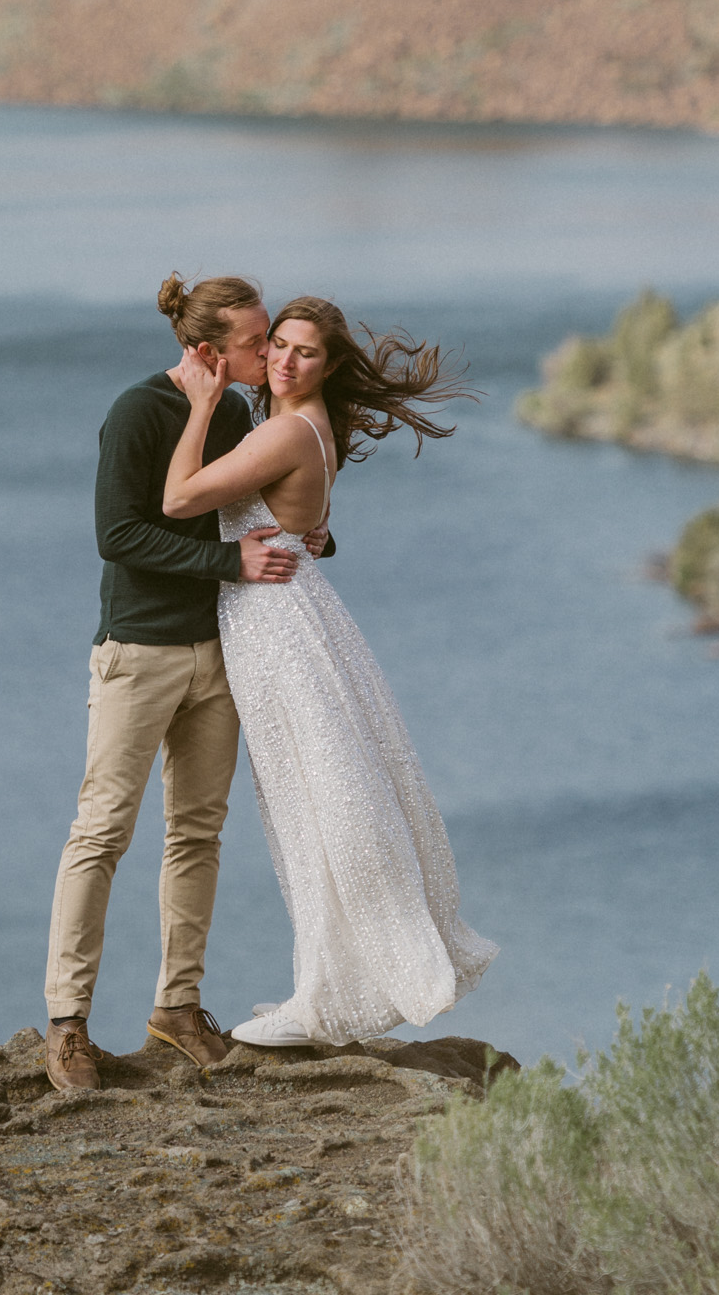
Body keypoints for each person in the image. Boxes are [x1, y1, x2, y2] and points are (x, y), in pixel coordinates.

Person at [163, 294, 497, 1047]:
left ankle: (326, 998)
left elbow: (180, 498)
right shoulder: (312, 427)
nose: (282, 360)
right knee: (314, 801)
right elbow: (301, 522)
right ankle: (326, 982)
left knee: (314, 806)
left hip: (275, 623)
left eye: (303, 352)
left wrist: (198, 402)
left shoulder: (285, 429)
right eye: (276, 344)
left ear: (329, 364)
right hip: (291, 610)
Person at [42, 273, 331, 1092]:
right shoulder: (138, 411)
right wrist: (225, 562)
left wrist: (304, 535)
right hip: (139, 651)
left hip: (222, 650)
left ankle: (177, 1008)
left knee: (198, 832)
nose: (269, 353)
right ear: (207, 351)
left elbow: (241, 507)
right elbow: (117, 533)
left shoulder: (239, 411)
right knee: (100, 834)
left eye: (275, 338)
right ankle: (67, 1025)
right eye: (255, 342)